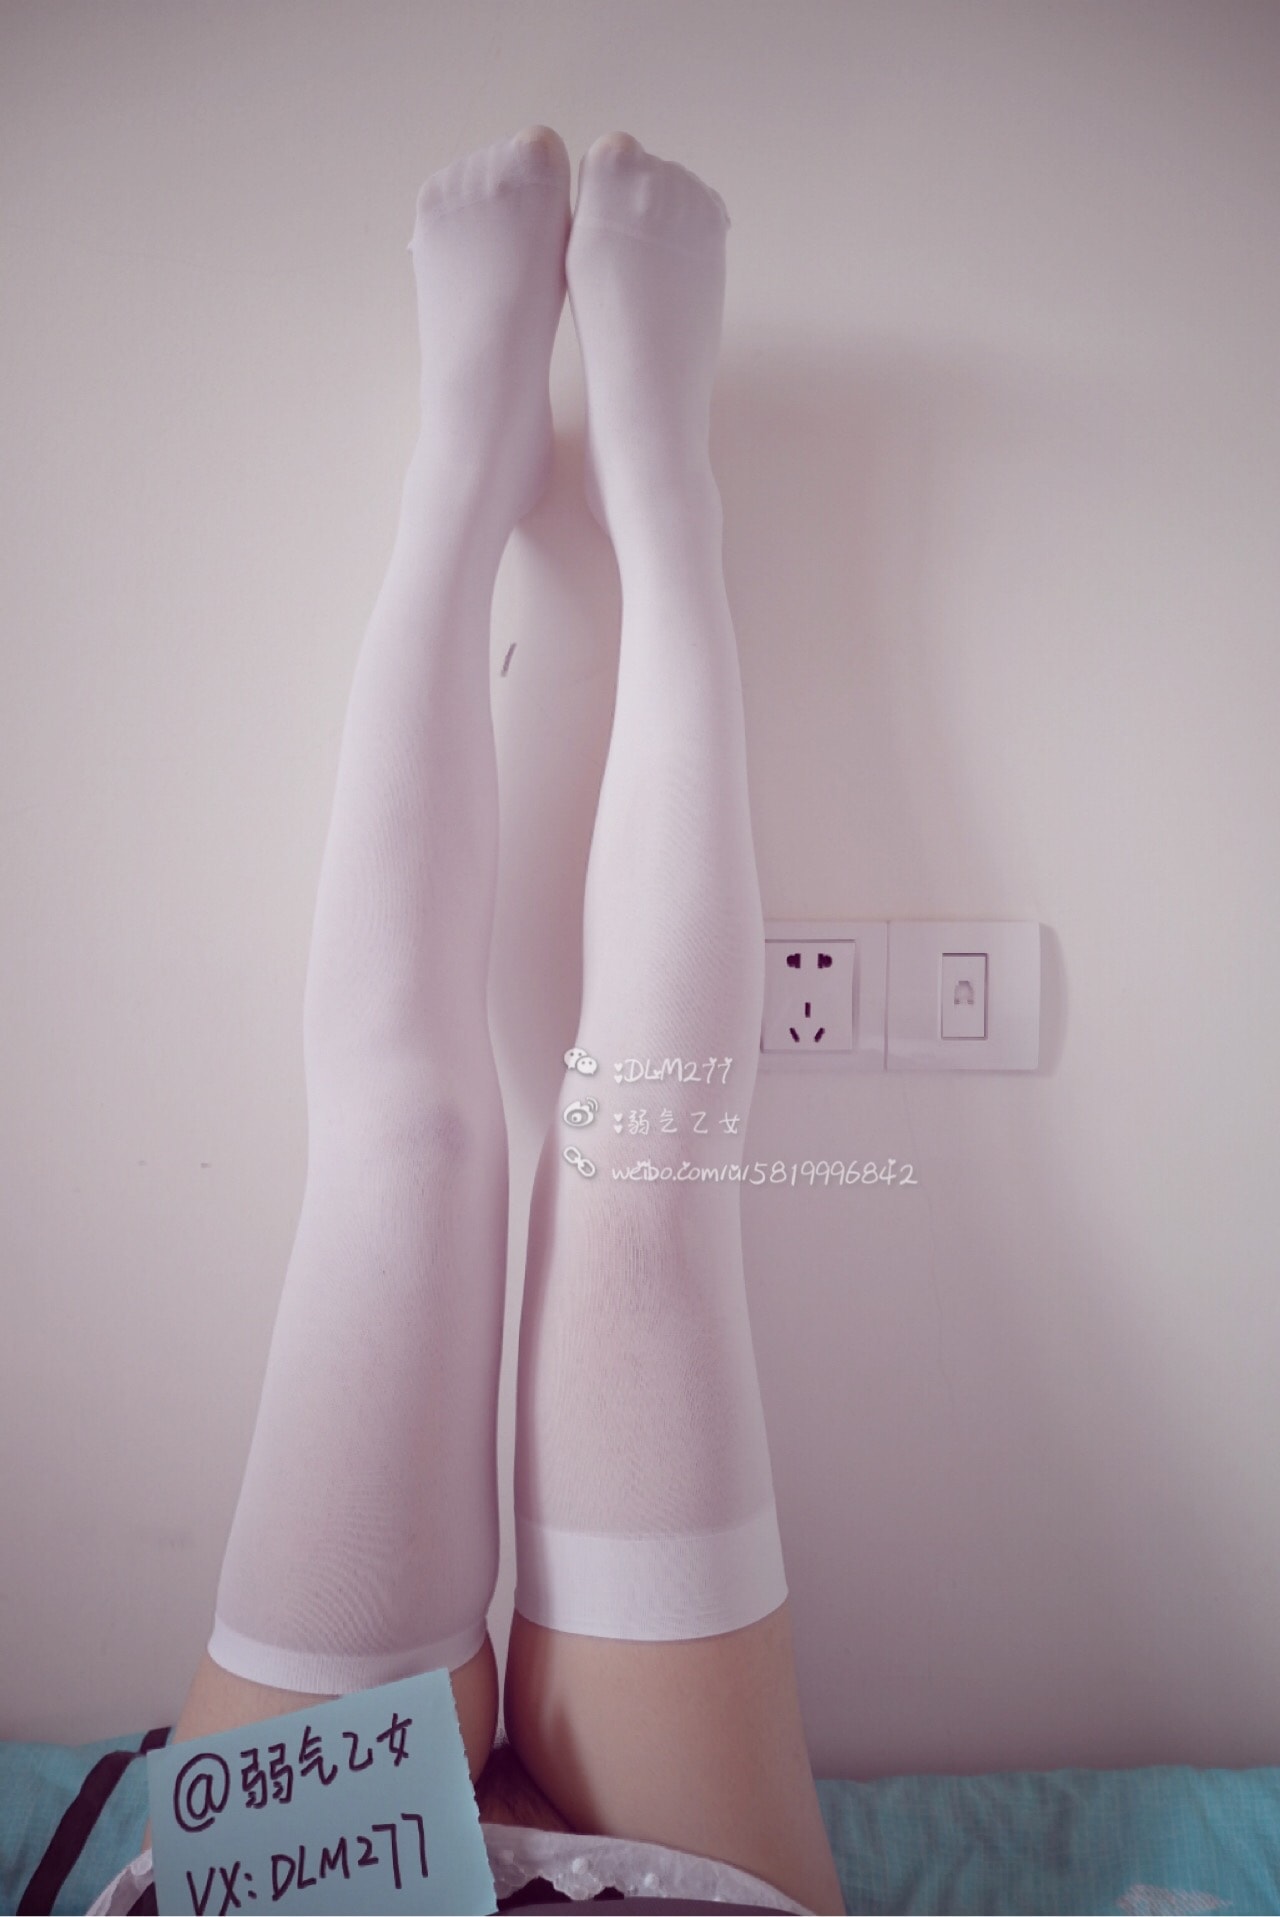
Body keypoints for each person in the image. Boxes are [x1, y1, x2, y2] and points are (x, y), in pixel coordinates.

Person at [91, 127, 846, 1916]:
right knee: (636, 1170)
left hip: (297, 1890)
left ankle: (464, 471)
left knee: (405, 1155)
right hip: (684, 1880)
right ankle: (660, 494)